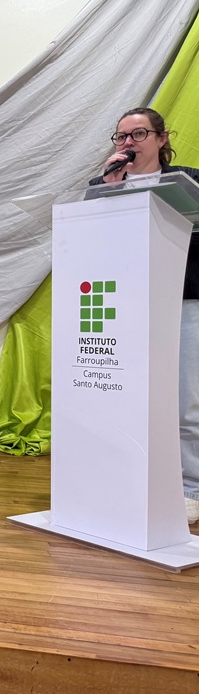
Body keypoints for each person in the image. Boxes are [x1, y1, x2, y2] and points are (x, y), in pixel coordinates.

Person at [90, 107, 199, 524]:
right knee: (127, 394)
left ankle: (190, 487)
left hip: (184, 300)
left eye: (138, 134)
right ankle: (128, 477)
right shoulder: (101, 186)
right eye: (121, 137)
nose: (128, 143)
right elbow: (88, 236)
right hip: (125, 303)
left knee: (186, 400)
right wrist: (108, 189)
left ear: (161, 138)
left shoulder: (190, 181)